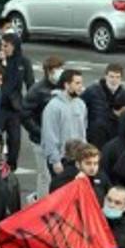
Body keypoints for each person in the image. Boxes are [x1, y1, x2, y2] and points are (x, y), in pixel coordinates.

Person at [39, 69, 87, 200]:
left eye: (81, 83)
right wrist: (55, 160)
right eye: (77, 83)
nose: (80, 87)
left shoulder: (81, 104)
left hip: (77, 158)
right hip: (61, 159)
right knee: (60, 196)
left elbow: (83, 131)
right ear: (66, 85)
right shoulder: (53, 106)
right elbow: (49, 135)